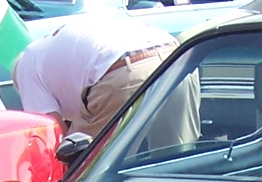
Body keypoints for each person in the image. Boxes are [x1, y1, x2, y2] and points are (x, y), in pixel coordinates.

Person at [13, 16, 194, 145]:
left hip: (123, 66)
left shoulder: (26, 67)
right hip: (175, 55)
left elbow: (52, 133)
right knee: (175, 155)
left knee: (86, 164)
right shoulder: (53, 46)